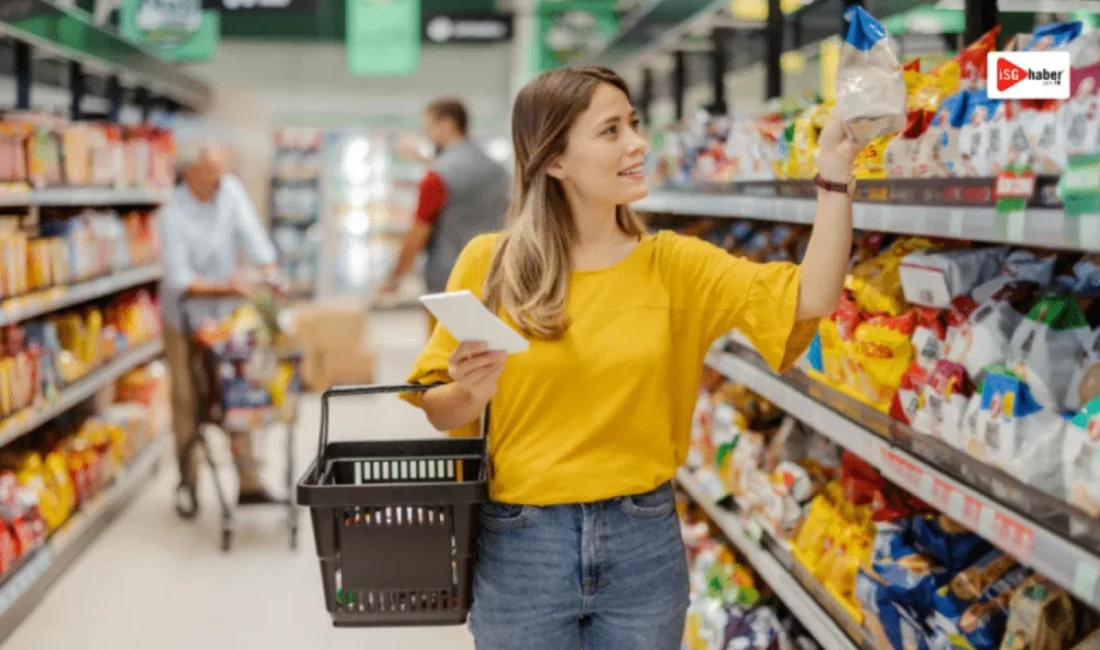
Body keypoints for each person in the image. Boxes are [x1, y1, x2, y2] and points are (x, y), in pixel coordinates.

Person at [401, 67, 858, 648]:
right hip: (522, 545)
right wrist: (470, 392)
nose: (638, 143)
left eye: (634, 125)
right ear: (556, 160)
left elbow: (810, 298)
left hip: (643, 543)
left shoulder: (674, 265)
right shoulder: (494, 263)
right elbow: (437, 409)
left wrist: (835, 178)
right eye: (611, 130)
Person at [159, 137, 280, 510]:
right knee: (187, 400)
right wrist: (224, 286)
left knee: (238, 392)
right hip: (184, 318)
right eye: (211, 170)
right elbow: (180, 279)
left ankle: (248, 481)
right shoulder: (172, 214)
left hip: (226, 318)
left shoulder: (229, 191)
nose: (220, 177)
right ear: (190, 173)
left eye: (221, 168)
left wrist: (269, 269)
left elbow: (252, 234)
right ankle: (188, 481)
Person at [382, 97, 509, 334]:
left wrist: (395, 276)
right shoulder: (498, 171)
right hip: (493, 277)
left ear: (448, 124)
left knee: (444, 358)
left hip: (448, 283)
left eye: (429, 126)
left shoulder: (437, 178)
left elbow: (418, 231)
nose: (427, 134)